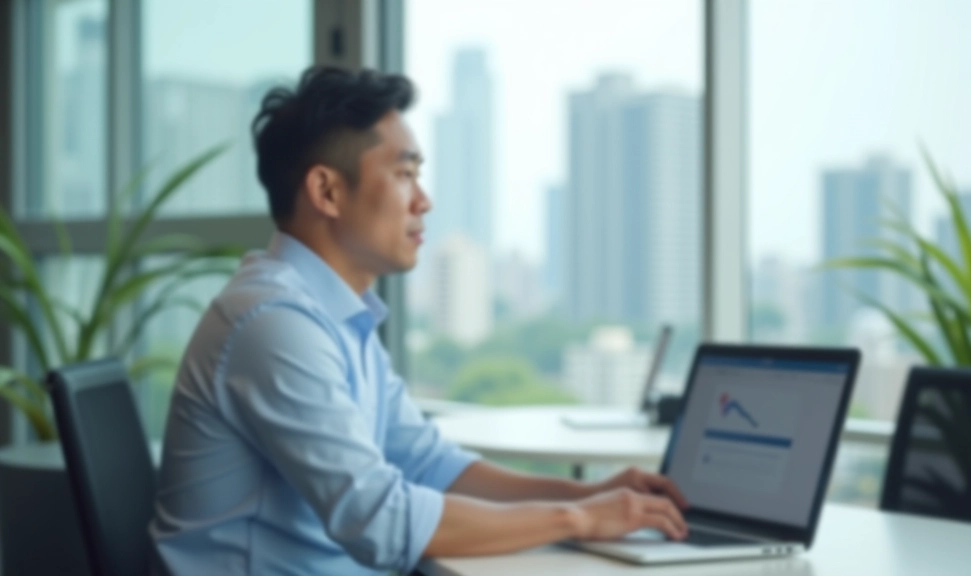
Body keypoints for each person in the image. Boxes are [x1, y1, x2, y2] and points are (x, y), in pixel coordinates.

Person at [150, 66, 689, 576]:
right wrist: (579, 519)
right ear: (327, 192)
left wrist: (588, 496)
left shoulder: (339, 318)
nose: (424, 202)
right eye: (404, 174)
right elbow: (379, 520)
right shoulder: (275, 325)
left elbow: (429, 464)